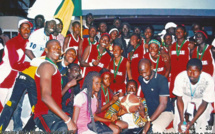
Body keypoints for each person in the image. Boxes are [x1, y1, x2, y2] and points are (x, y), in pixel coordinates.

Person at [33, 40, 77, 132]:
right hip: (45, 113)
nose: (57, 50)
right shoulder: (46, 66)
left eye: (59, 48)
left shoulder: (54, 68)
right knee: (63, 129)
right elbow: (45, 97)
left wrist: (68, 85)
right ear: (46, 50)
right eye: (54, 48)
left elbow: (57, 96)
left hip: (54, 113)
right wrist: (67, 120)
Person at [173, 58, 215, 133]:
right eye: (189, 71)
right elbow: (179, 99)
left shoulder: (208, 80)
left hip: (201, 99)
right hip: (185, 97)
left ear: (201, 71)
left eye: (195, 71)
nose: (192, 74)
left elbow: (204, 103)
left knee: (203, 118)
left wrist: (192, 122)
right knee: (178, 118)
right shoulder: (180, 77)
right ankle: (179, 131)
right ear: (186, 70)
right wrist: (182, 120)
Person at [0, 19, 32, 110]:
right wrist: (30, 64)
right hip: (5, 76)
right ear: (19, 30)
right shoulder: (12, 43)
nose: (26, 30)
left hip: (16, 77)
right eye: (23, 28)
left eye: (28, 28)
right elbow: (14, 65)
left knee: (8, 106)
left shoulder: (28, 43)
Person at [138, 58, 174, 133]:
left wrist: (149, 121)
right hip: (152, 113)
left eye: (145, 72)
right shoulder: (141, 79)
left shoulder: (161, 80)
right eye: (141, 73)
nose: (144, 75)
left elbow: (163, 104)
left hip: (165, 112)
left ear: (152, 67)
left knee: (155, 129)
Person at [169, 25, 190, 98]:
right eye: (177, 32)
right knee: (174, 96)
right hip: (174, 75)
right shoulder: (173, 45)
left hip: (185, 75)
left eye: (180, 32)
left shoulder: (189, 45)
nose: (178, 33)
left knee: (184, 96)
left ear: (184, 33)